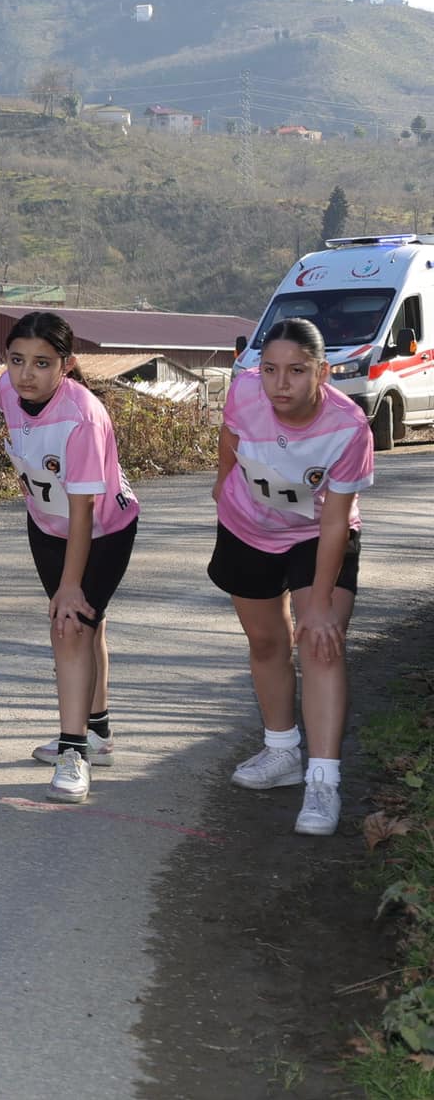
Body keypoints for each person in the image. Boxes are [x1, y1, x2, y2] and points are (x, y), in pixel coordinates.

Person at [211, 318, 373, 837]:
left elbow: (333, 520)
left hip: (316, 535)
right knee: (265, 641)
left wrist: (321, 602)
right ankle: (281, 752)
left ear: (322, 373)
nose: (281, 384)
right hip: (246, 527)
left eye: (297, 371)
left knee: (322, 642)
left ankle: (323, 782)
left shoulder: (349, 427)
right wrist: (221, 485)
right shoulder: (244, 393)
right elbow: (230, 436)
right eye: (271, 370)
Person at [0, 312, 139, 804]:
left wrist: (71, 585)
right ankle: (96, 733)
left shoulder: (82, 416)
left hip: (102, 529)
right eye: (17, 360)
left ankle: (74, 752)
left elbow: (84, 511)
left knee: (71, 624)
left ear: (67, 364)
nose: (26, 374)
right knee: (86, 628)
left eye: (41, 363)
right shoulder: (4, 391)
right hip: (46, 524)